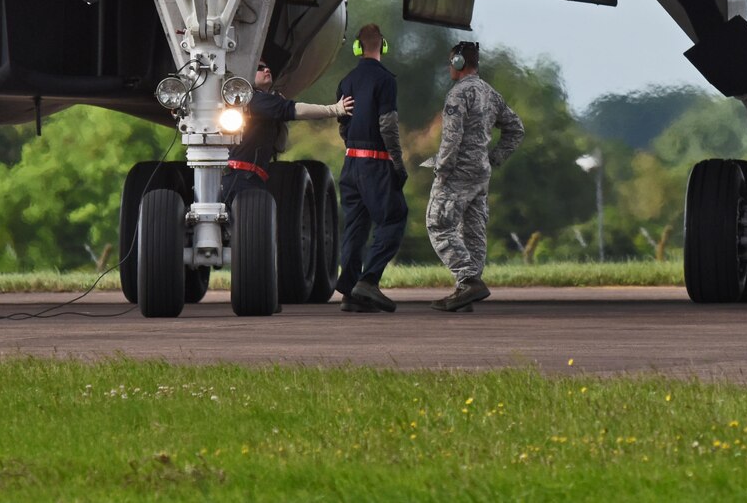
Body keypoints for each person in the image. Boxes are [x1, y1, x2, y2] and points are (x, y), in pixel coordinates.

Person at [425, 40, 524, 312]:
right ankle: (466, 291)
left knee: (438, 224)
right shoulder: (491, 93)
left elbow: (452, 137)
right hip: (481, 174)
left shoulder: (458, 94)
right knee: (473, 233)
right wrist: (494, 158)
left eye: (451, 63)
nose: (449, 68)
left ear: (458, 62)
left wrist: (442, 169)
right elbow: (516, 128)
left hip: (458, 173)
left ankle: (468, 280)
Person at [334, 22, 408, 313]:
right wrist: (398, 162)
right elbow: (388, 124)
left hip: (350, 162)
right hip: (375, 163)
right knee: (393, 218)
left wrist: (352, 148)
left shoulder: (346, 81)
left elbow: (342, 122)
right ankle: (369, 280)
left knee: (355, 227)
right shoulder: (386, 80)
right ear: (383, 45)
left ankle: (351, 294)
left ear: (357, 47)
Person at [216, 58, 352, 202]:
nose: (266, 70)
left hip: (243, 177)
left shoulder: (262, 102)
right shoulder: (257, 100)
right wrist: (334, 109)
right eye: (259, 68)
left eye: (267, 67)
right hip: (242, 178)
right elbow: (295, 110)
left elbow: (281, 145)